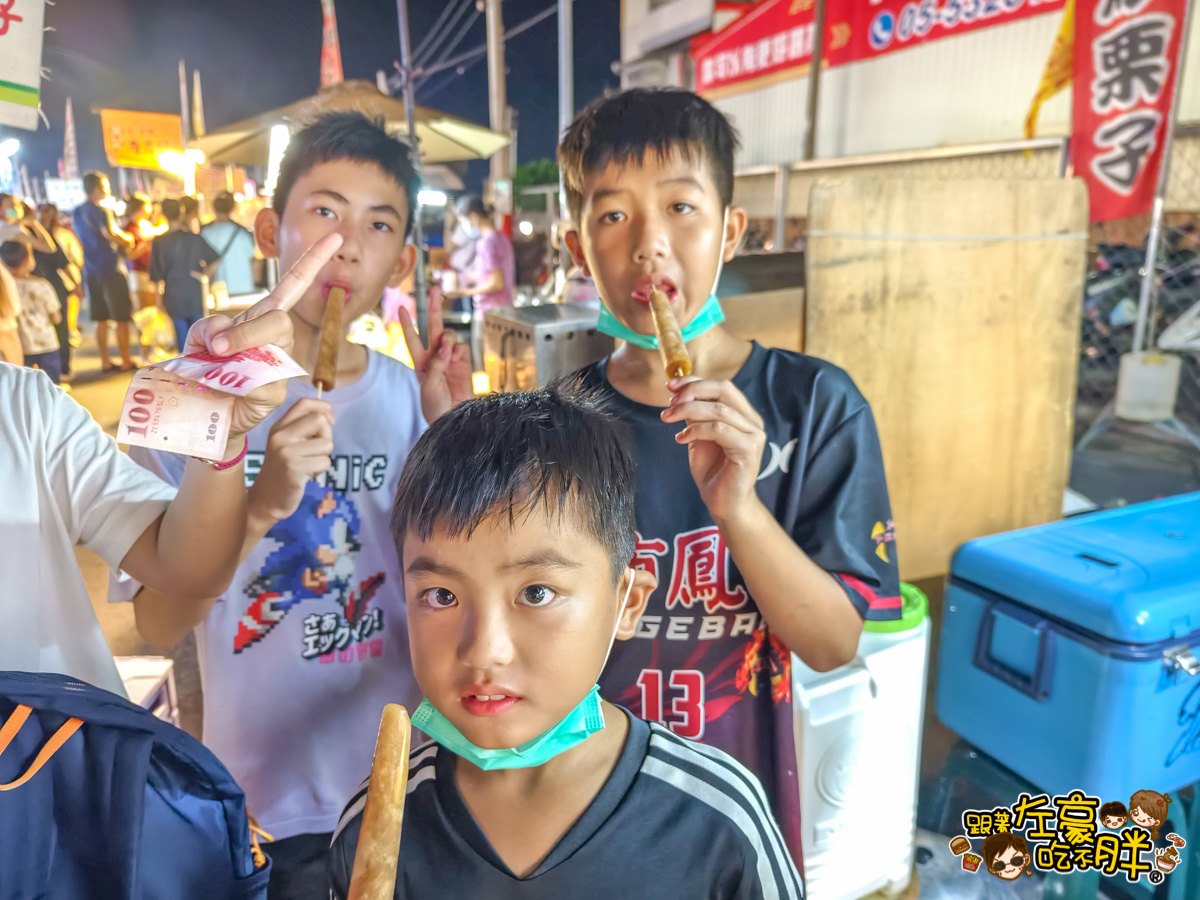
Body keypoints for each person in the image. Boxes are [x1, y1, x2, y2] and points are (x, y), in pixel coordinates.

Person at [113, 112, 472, 900]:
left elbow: (467, 585)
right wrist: (260, 504)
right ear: (272, 228)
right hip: (261, 803)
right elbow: (157, 624)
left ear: (403, 258)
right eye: (324, 211)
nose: (347, 244)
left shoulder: (416, 401)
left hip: (407, 785)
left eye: (378, 223)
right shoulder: (185, 397)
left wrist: (453, 428)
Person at [558, 88, 901, 869]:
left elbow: (834, 642)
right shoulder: (557, 424)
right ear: (578, 251)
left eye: (681, 207)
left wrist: (738, 509)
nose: (649, 245)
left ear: (731, 231)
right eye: (612, 216)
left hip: (740, 814)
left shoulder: (815, 405)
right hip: (583, 811)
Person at [328, 383, 804, 900]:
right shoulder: (378, 824)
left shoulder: (719, 819)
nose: (485, 650)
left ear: (628, 602)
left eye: (536, 592)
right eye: (441, 596)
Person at [2, 224, 339, 700]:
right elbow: (158, 622)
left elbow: (189, 572)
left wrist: (218, 430)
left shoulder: (22, 406)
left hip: (70, 763)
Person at [74, 171, 136, 371]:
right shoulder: (102, 210)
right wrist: (127, 239)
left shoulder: (77, 212)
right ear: (96, 189)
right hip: (110, 268)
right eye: (105, 187)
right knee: (121, 318)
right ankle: (126, 360)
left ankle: (105, 361)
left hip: (91, 270)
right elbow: (110, 234)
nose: (108, 191)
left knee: (101, 319)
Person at [444, 195, 514, 368]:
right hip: (503, 312)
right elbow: (492, 274)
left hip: (489, 315)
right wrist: (471, 278)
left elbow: (496, 283)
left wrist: (463, 292)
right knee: (500, 369)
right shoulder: (500, 238)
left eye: (463, 221)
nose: (464, 226)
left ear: (473, 216)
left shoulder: (488, 242)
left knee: (487, 370)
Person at [149, 198, 221, 346]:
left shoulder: (159, 242)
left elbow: (157, 277)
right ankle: (201, 368)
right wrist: (204, 276)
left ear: (164, 215)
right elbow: (215, 259)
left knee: (183, 341)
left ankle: (185, 367)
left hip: (173, 295)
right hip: (194, 292)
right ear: (182, 214)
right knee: (200, 337)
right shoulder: (194, 238)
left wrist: (158, 303)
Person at [2, 241, 62, 384]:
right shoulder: (43, 285)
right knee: (52, 385)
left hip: (25, 345)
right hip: (47, 343)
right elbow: (57, 318)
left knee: (27, 385)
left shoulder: (6, 288)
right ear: (26, 260)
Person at [33, 203, 80, 382]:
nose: (47, 218)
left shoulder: (54, 236)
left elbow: (64, 261)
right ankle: (49, 371)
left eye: (52, 215)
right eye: (44, 213)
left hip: (54, 285)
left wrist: (76, 284)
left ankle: (62, 369)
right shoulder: (26, 234)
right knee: (44, 327)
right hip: (38, 287)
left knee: (60, 327)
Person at [201, 191, 259, 298]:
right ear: (233, 208)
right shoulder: (243, 233)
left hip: (219, 293)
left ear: (214, 208)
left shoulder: (205, 233)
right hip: (244, 289)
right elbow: (253, 262)